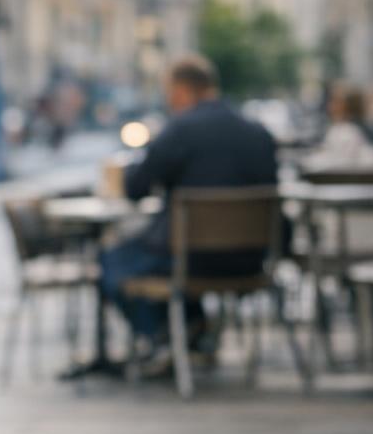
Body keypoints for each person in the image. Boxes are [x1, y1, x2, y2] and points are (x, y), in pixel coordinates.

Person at [99, 54, 277, 350]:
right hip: (252, 259)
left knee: (112, 260)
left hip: (190, 259)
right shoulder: (258, 133)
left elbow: (135, 188)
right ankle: (191, 333)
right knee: (161, 250)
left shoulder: (180, 129)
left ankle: (165, 336)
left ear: (180, 92)